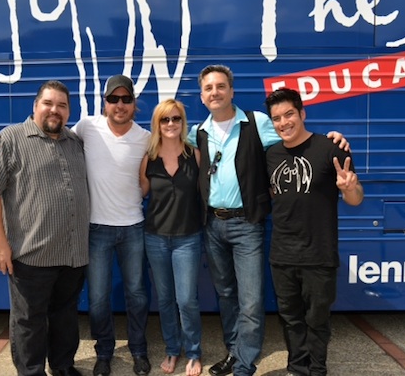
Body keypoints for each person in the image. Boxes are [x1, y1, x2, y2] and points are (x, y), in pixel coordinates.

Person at [187, 65, 349, 376]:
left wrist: (334, 140)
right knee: (226, 296)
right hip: (213, 226)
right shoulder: (199, 132)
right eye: (208, 88)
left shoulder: (257, 123)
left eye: (221, 86)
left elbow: (297, 136)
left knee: (249, 300)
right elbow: (164, 137)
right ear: (202, 96)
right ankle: (234, 353)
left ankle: (245, 364)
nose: (215, 92)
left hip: (246, 224)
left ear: (231, 91)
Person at [0, 80, 89, 376]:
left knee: (65, 318)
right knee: (29, 321)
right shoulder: (10, 139)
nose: (55, 110)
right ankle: (31, 371)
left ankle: (63, 367)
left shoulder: (74, 142)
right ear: (35, 106)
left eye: (62, 105)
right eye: (48, 103)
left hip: (73, 255)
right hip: (31, 255)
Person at [265, 87, 364, 376]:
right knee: (291, 319)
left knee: (317, 321)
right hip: (282, 255)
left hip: (319, 255)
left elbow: (356, 198)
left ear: (302, 113)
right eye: (277, 118)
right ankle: (297, 368)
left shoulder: (331, 149)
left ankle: (317, 370)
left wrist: (350, 188)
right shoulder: (270, 155)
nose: (283, 123)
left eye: (289, 114)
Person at [71, 75, 151, 376]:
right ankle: (103, 351)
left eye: (126, 99)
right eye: (113, 99)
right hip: (97, 229)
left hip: (133, 227)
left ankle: (139, 350)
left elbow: (146, 179)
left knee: (137, 294)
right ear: (104, 102)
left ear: (134, 104)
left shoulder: (144, 137)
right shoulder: (87, 127)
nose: (120, 105)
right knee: (98, 298)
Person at [139, 99, 203, 376]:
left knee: (186, 300)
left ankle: (194, 352)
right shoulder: (148, 158)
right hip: (155, 238)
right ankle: (172, 349)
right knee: (165, 299)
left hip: (188, 238)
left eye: (176, 119)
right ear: (157, 124)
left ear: (183, 122)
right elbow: (141, 193)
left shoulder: (195, 155)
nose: (171, 124)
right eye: (165, 120)